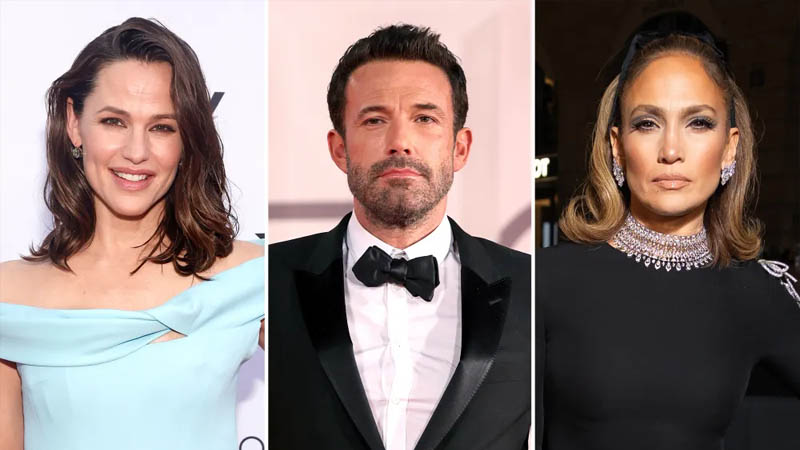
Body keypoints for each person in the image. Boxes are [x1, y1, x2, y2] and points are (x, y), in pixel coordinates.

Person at [0, 18, 264, 450]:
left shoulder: (249, 278)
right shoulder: (9, 298)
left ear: (186, 138)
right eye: (114, 122)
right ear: (74, 123)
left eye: (162, 127)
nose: (137, 152)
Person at [269, 24, 531, 450]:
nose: (400, 143)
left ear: (460, 148)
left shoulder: (532, 288)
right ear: (339, 149)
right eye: (375, 120)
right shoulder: (267, 280)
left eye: (425, 118)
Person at [536, 31, 800, 450]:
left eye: (698, 123)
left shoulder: (758, 291)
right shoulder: (546, 280)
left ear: (729, 148)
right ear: (617, 147)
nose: (671, 150)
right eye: (647, 123)